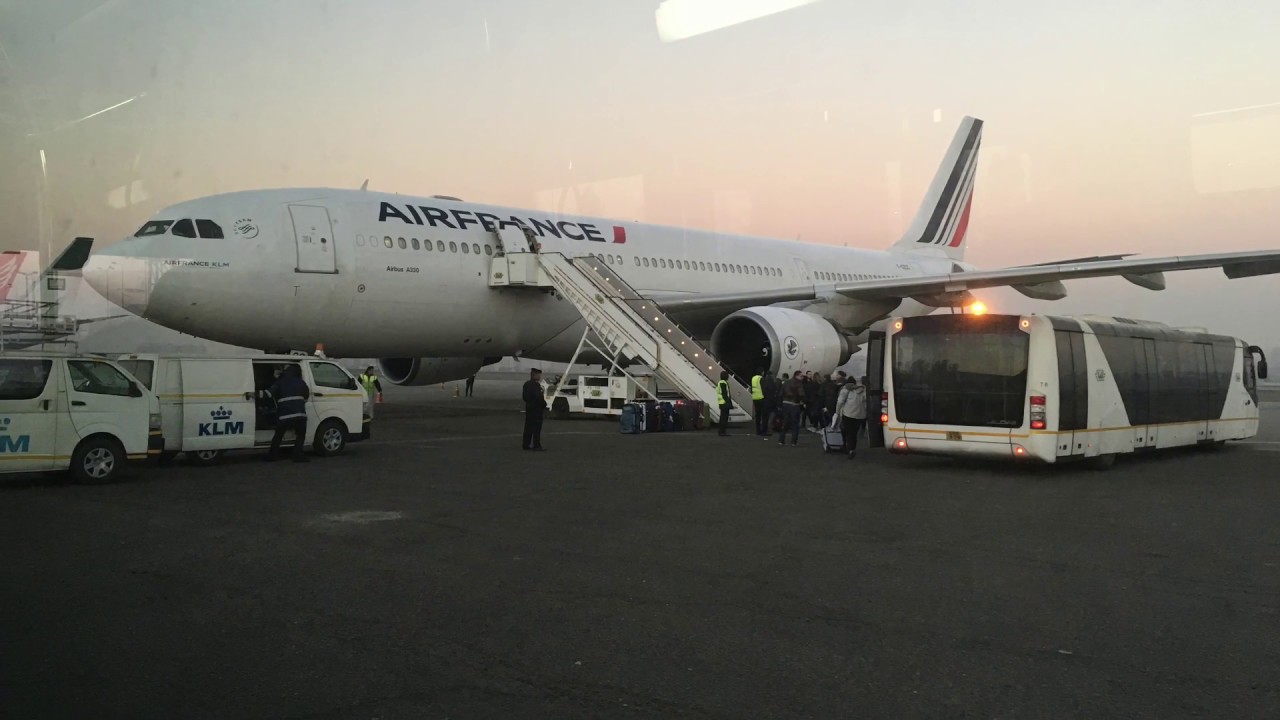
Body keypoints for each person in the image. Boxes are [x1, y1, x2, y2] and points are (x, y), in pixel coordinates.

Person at [262, 364, 311, 463]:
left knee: (278, 436)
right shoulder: (301, 382)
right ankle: (297, 455)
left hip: (284, 416)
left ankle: (272, 456)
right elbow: (306, 396)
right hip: (300, 415)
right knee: (301, 435)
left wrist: (253, 394)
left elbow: (268, 394)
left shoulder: (279, 382)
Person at [833, 375, 868, 459]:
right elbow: (866, 402)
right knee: (854, 432)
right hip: (860, 415)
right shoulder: (863, 390)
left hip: (848, 414)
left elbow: (840, 402)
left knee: (847, 431)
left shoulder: (845, 390)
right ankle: (852, 448)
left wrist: (837, 412)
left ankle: (848, 448)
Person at [522, 368, 548, 450]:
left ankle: (526, 444)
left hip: (529, 408)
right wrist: (544, 404)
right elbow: (539, 397)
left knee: (528, 427)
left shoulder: (526, 384)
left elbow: (524, 397)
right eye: (538, 374)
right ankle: (536, 445)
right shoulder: (536, 386)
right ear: (535, 375)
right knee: (536, 429)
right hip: (536, 410)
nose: (540, 376)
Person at [777, 374, 804, 446]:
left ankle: (781, 440)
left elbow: (780, 394)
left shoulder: (786, 383)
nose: (802, 378)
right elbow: (801, 394)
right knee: (795, 424)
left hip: (785, 404)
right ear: (797, 376)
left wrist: (779, 405)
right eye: (801, 376)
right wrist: (801, 401)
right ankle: (793, 442)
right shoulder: (799, 384)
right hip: (794, 405)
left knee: (785, 423)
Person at [716, 370, 734, 436]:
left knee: (722, 417)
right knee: (724, 418)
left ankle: (721, 431)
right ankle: (722, 432)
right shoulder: (723, 383)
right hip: (724, 402)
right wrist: (728, 401)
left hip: (721, 402)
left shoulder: (720, 382)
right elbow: (724, 394)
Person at [749, 369, 765, 435]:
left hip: (755, 398)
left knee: (757, 415)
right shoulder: (761, 378)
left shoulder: (753, 378)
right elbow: (763, 388)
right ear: (761, 372)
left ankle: (757, 430)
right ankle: (762, 430)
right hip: (761, 398)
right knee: (762, 415)